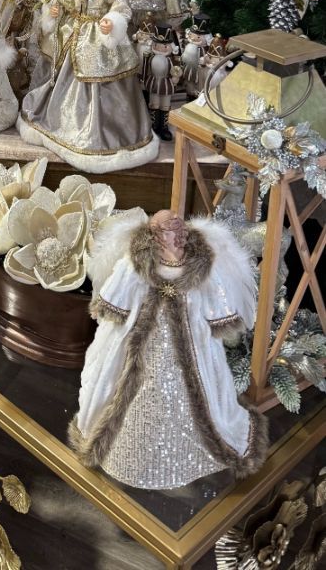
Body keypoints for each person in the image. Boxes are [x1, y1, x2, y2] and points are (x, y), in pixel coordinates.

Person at [69, 209, 268, 490]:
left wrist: (218, 318)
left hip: (192, 339)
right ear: (154, 234)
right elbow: (117, 297)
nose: (173, 236)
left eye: (177, 229)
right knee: (125, 386)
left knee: (201, 390)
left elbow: (215, 294)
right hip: (140, 342)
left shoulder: (200, 261)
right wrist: (116, 314)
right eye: (166, 230)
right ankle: (128, 450)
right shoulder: (137, 260)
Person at [18, 0, 157, 172]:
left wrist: (110, 22)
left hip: (99, 44)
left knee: (101, 82)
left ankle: (101, 131)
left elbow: (122, 10)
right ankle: (60, 120)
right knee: (62, 79)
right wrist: (54, 10)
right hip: (72, 38)